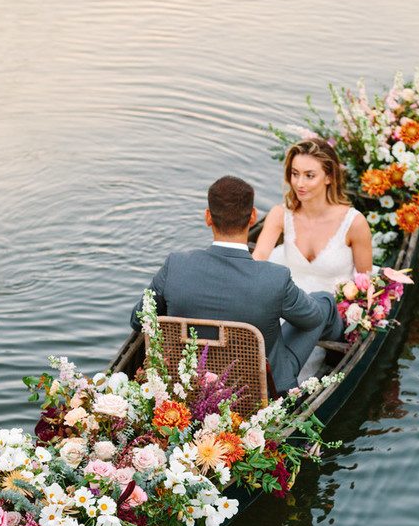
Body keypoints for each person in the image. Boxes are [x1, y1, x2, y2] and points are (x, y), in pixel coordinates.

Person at [130, 175, 344, 394]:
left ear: (208, 217)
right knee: (323, 302)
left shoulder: (175, 265)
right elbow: (312, 319)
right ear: (253, 217)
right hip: (261, 391)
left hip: (188, 387)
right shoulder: (274, 278)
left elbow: (138, 320)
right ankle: (340, 353)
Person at [252, 138, 372, 293]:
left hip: (333, 312)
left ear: (328, 177)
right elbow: (259, 255)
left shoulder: (354, 223)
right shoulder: (280, 214)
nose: (299, 183)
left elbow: (366, 284)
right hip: (288, 308)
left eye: (309, 176)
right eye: (295, 174)